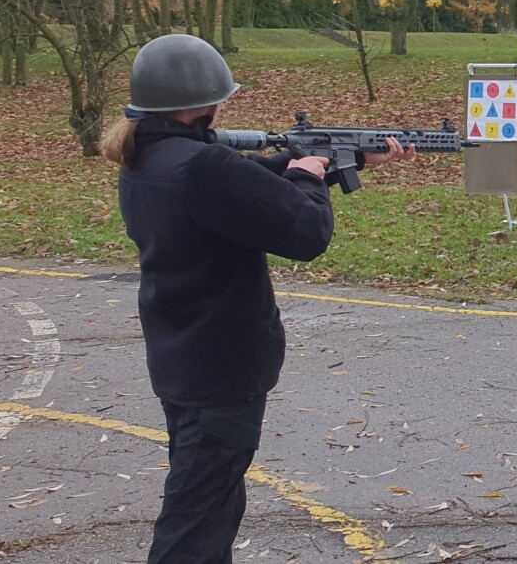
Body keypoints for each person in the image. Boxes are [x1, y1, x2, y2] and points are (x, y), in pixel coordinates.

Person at [99, 34, 413, 564]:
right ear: (202, 101)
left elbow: (245, 184)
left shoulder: (150, 157)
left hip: (183, 355)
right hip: (221, 368)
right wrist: (308, 178)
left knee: (210, 503)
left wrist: (338, 160)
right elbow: (306, 232)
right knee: (195, 522)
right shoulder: (203, 167)